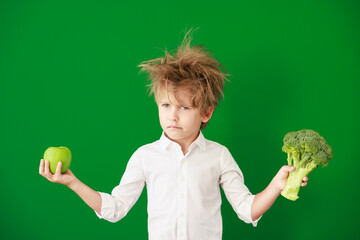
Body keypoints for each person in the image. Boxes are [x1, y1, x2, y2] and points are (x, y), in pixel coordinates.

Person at [39, 28, 308, 240]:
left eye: (184, 106)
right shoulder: (145, 156)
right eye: (166, 105)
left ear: (206, 113)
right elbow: (115, 208)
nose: (172, 115)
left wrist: (276, 185)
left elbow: (246, 209)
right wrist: (73, 182)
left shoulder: (219, 156)